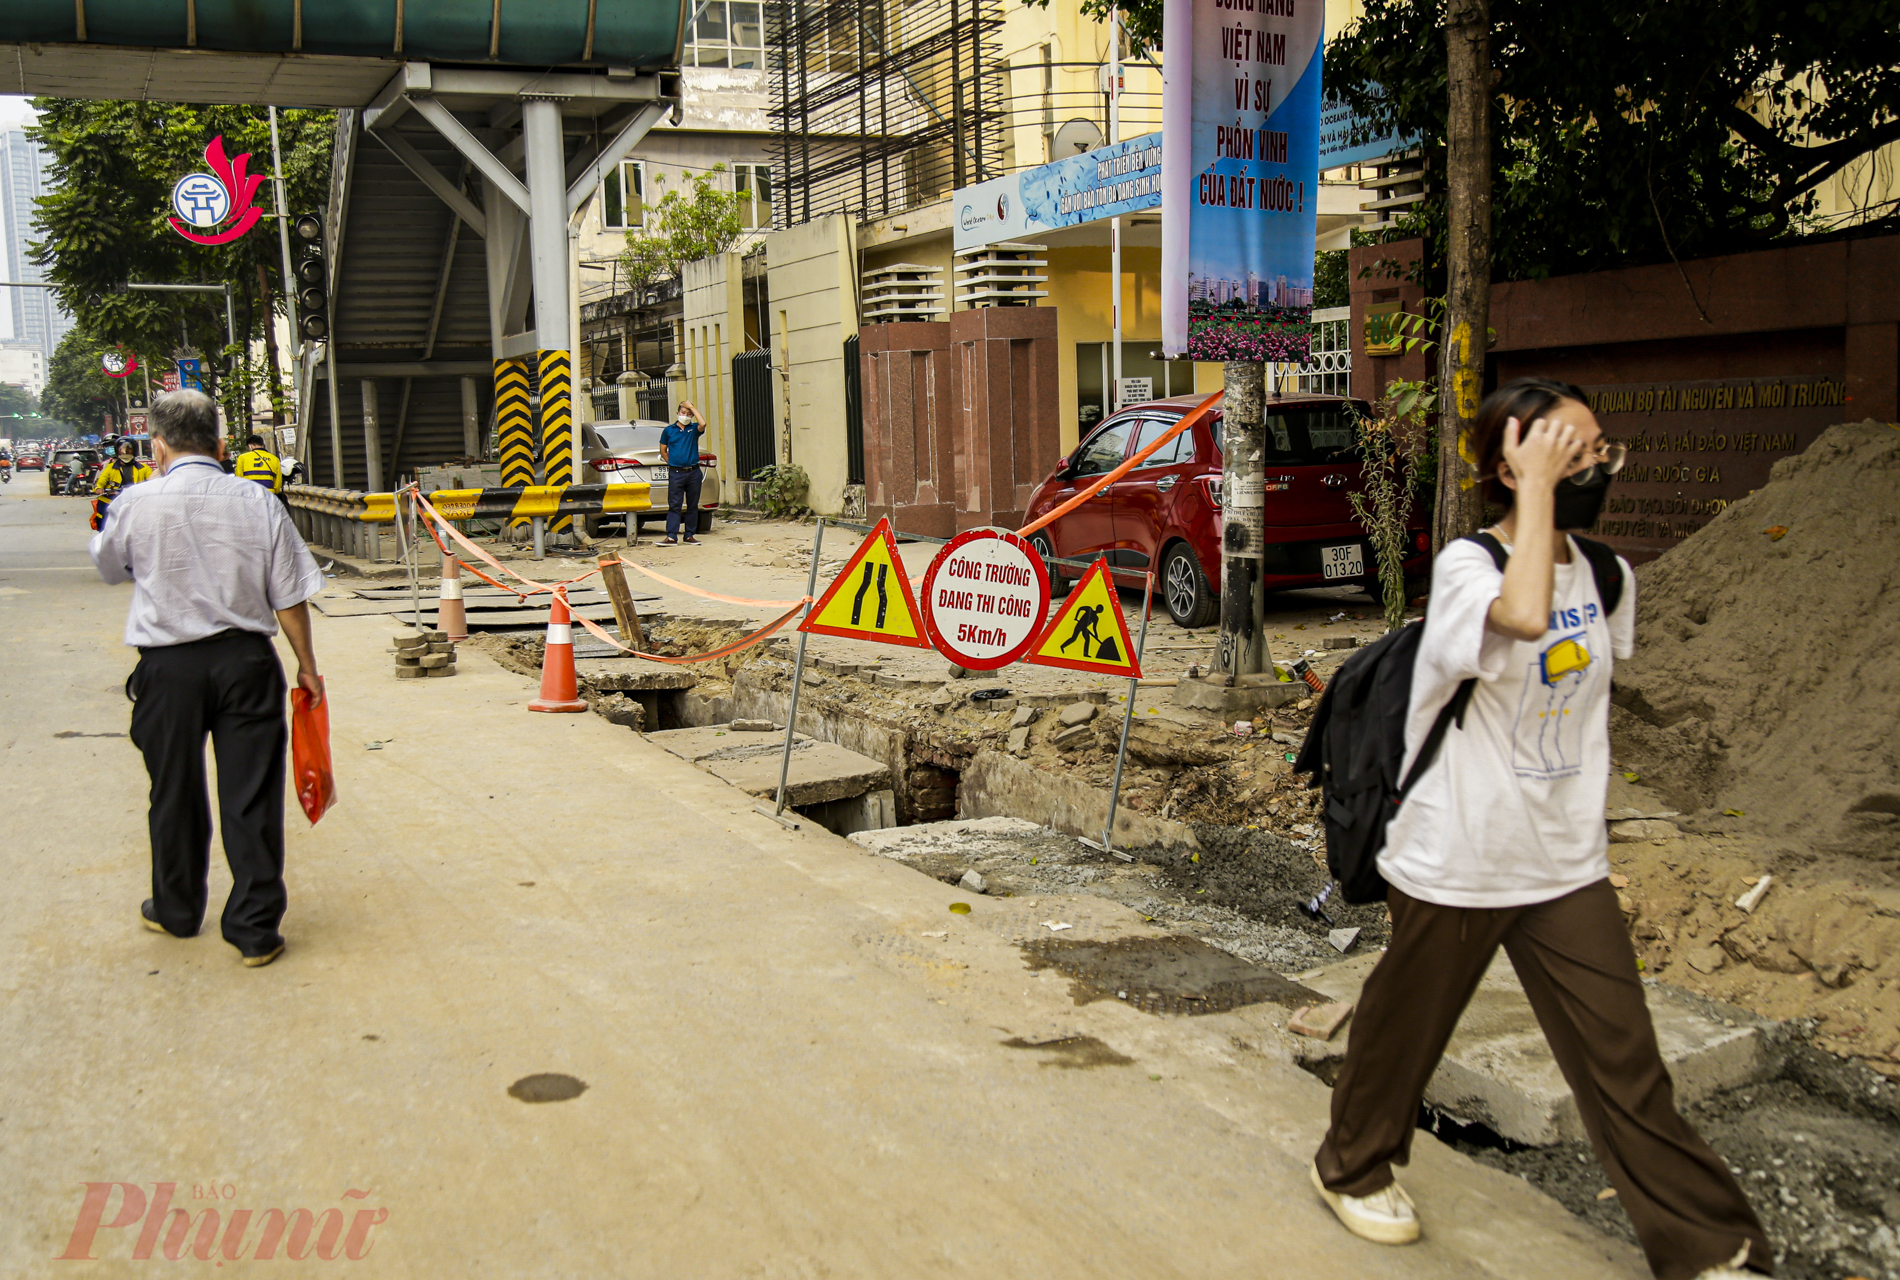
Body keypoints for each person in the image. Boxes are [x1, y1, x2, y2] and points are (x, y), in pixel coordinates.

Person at [1308, 378, 1770, 1280]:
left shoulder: (1606, 576)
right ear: (1513, 465)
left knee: (1624, 1060)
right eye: (1571, 451)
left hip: (1564, 863)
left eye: (1599, 452)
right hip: (1455, 855)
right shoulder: (1466, 570)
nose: (1594, 465)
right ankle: (1352, 1166)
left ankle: (1711, 1248)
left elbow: (1573, 697)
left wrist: (1552, 502)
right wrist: (1539, 496)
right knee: (1406, 1033)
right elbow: (1520, 620)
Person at [89, 390, 325, 969]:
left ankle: (175, 908)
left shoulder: (136, 499)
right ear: (221, 446)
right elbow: (288, 595)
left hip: (169, 669)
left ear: (158, 446)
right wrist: (307, 668)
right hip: (246, 662)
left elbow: (107, 565)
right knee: (250, 794)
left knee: (173, 789)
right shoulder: (258, 500)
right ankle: (253, 929)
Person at [659, 401, 705, 546]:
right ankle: (671, 536)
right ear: (677, 413)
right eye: (683, 413)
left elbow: (702, 424)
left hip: (693, 472)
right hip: (676, 472)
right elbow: (663, 450)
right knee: (675, 504)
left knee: (693, 504)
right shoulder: (669, 430)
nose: (686, 416)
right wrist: (672, 462)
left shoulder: (693, 429)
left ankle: (689, 535)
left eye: (689, 414)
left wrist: (692, 407)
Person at [91, 438, 152, 531]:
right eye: (121, 450)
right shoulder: (110, 468)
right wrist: (99, 488)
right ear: (117, 451)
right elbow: (101, 481)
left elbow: (153, 480)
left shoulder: (144, 468)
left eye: (129, 449)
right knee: (101, 515)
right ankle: (103, 535)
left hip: (136, 500)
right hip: (112, 500)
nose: (125, 452)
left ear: (134, 451)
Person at [233, 433, 285, 503]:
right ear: (263, 445)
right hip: (268, 495)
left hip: (249, 495)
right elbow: (278, 483)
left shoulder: (242, 458)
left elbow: (239, 478)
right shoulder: (275, 459)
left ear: (250, 446)